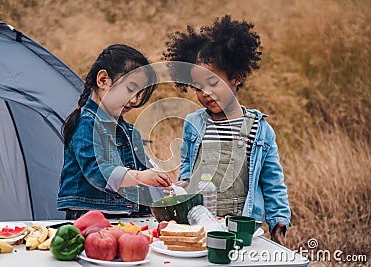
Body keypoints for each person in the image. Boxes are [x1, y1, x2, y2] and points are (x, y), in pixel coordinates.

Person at [163, 15, 291, 245]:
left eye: (213, 83)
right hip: (199, 222)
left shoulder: (259, 129)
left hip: (242, 227)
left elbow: (272, 181)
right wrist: (183, 185)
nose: (205, 93)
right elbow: (187, 166)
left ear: (236, 77)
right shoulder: (194, 123)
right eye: (198, 87)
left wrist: (278, 219)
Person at [57, 44, 172, 220]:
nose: (134, 100)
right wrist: (140, 176)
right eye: (130, 89)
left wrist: (162, 182)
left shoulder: (130, 131)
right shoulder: (87, 123)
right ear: (103, 80)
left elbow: (142, 174)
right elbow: (98, 172)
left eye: (139, 93)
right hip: (89, 215)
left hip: (124, 216)